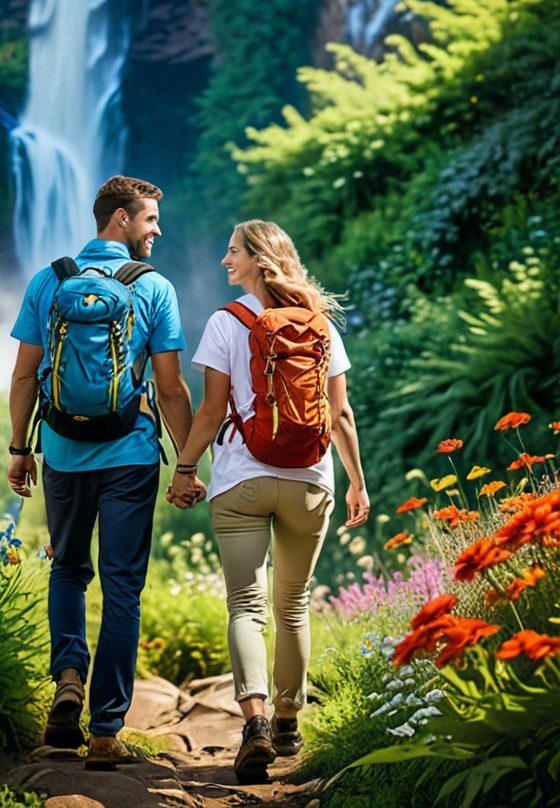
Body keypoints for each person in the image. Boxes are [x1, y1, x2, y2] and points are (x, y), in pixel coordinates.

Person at [168, 220, 368, 784]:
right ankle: (287, 722)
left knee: (245, 607)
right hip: (310, 480)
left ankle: (253, 719)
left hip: (241, 481)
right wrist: (357, 481)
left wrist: (185, 467)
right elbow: (341, 414)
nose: (223, 260)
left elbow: (210, 411)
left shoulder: (224, 322)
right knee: (294, 604)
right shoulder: (320, 323)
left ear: (257, 259)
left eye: (232, 252)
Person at [7, 175, 195, 770]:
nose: (156, 231)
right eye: (149, 221)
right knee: (122, 586)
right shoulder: (155, 289)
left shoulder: (48, 280)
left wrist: (20, 448)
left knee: (66, 569)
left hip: (61, 451)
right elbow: (169, 387)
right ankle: (106, 729)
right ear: (119, 220)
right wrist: (188, 462)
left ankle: (67, 679)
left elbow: (22, 376)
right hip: (131, 456)